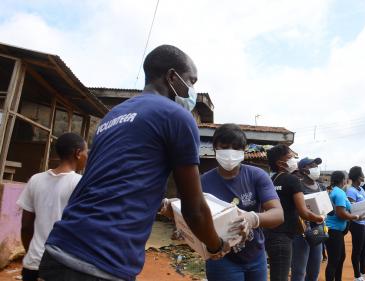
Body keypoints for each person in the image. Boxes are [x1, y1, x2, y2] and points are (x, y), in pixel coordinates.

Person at [39, 45, 241, 281]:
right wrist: (216, 245)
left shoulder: (112, 117)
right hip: (103, 261)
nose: (193, 90)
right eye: (191, 81)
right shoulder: (177, 116)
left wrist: (162, 204)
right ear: (172, 77)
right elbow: (194, 209)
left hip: (58, 248)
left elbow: (116, 182)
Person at [197, 124, 284, 281]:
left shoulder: (257, 176)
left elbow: (278, 214)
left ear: (244, 150)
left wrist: (251, 219)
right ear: (215, 148)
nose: (230, 152)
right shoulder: (203, 182)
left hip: (256, 256)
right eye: (224, 147)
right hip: (221, 258)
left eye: (236, 148)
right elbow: (195, 217)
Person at [16, 133, 88, 281]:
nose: (87, 157)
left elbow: (26, 225)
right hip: (62, 266)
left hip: (33, 264)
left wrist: (32, 252)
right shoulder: (80, 183)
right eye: (86, 152)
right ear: (78, 153)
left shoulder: (35, 180)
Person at [265, 144, 324, 281]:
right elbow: (303, 212)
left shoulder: (270, 180)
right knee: (288, 274)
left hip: (270, 234)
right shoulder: (292, 180)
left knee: (279, 274)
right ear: (280, 163)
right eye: (291, 157)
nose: (294, 161)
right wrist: (319, 218)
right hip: (287, 234)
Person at [291, 157, 324, 281]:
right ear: (303, 169)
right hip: (301, 232)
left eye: (316, 165)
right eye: (312, 165)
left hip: (318, 230)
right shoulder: (297, 185)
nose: (316, 168)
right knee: (299, 270)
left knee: (314, 269)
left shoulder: (321, 186)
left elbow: (326, 207)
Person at [324, 171, 360, 281]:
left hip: (335, 230)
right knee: (334, 260)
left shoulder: (335, 191)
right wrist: (355, 217)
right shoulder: (339, 193)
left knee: (339, 258)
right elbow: (341, 213)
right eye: (346, 179)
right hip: (334, 230)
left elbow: (346, 207)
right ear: (343, 180)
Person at [346, 166, 365, 281]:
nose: (363, 177)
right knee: (357, 249)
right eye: (361, 175)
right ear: (356, 176)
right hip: (356, 223)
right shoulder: (351, 190)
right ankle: (357, 276)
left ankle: (363, 272)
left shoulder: (361, 189)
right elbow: (351, 208)